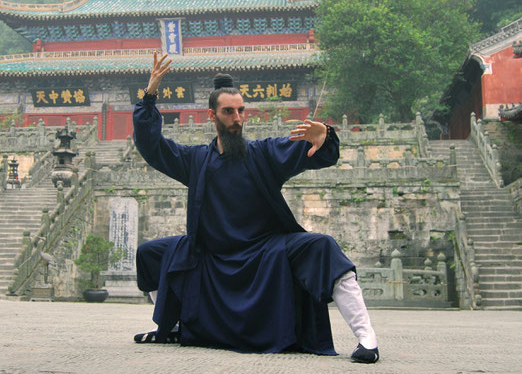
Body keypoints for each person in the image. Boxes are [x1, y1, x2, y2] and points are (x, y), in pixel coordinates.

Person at [132, 52, 379, 364]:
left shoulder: (265, 154)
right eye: (229, 112)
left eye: (241, 110)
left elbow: (314, 152)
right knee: (150, 253)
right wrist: (149, 94)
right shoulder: (194, 161)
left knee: (323, 247)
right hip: (212, 256)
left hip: (264, 252)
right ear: (212, 116)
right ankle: (172, 326)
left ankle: (367, 339)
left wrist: (325, 136)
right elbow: (151, 146)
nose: (238, 118)